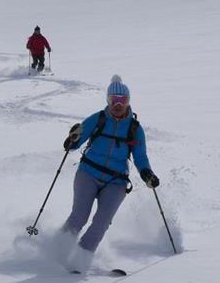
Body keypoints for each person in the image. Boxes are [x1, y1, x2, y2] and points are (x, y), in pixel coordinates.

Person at [56, 74, 160, 272]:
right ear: (108, 100)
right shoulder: (98, 119)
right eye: (114, 100)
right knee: (79, 216)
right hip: (88, 173)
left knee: (101, 222)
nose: (118, 105)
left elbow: (140, 157)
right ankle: (57, 251)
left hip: (116, 181)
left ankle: (79, 261)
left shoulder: (135, 129)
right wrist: (72, 140)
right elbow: (76, 141)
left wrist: (147, 174)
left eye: (123, 101)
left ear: (128, 102)